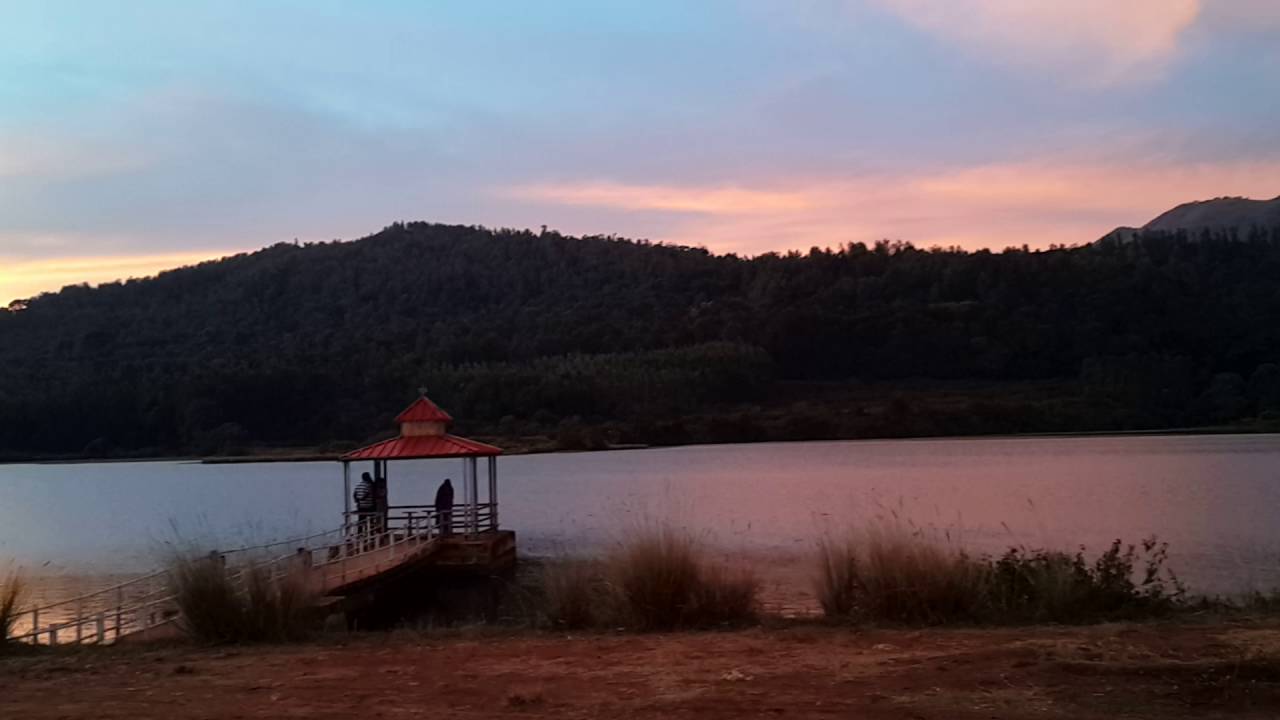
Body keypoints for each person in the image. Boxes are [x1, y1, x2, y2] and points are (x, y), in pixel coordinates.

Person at [353, 471, 377, 541]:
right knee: (371, 521)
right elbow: (368, 494)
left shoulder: (358, 485)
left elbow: (354, 494)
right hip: (369, 506)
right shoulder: (369, 485)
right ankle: (370, 534)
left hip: (361, 507)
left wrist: (358, 500)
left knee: (361, 521)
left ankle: (359, 535)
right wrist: (362, 499)